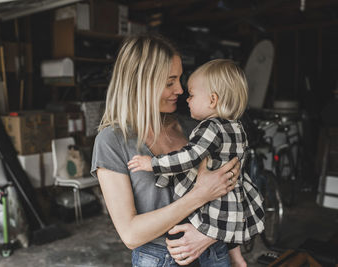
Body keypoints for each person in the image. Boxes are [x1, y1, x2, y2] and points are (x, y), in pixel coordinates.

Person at [91, 34, 242, 267]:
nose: (180, 90)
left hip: (214, 251)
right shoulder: (112, 141)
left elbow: (233, 187)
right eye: (170, 82)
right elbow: (131, 234)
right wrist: (200, 195)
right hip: (160, 258)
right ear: (141, 83)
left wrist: (210, 236)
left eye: (179, 79)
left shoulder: (194, 128)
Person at [127, 59, 265, 267]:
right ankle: (236, 256)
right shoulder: (236, 127)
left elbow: (190, 156)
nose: (186, 98)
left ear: (212, 100)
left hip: (210, 210)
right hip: (230, 205)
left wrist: (153, 164)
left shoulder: (211, 127)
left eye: (191, 95)